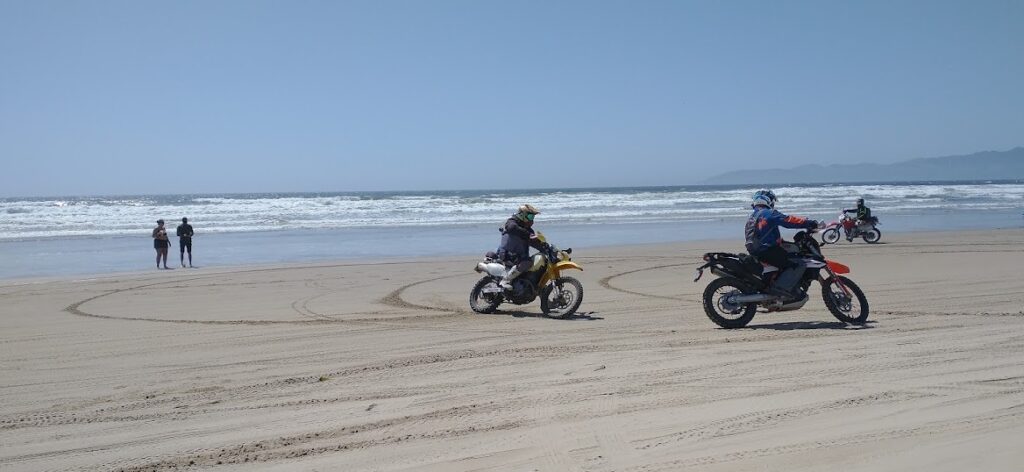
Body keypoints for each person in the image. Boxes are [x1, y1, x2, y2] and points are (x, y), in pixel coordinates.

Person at [744, 189, 820, 298]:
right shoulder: (768, 213)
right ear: (768, 201)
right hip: (767, 251)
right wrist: (809, 223)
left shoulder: (753, 217)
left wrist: (782, 242)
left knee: (787, 256)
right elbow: (788, 220)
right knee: (799, 263)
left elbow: (765, 235)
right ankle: (781, 289)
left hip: (757, 251)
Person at [496, 204, 548, 290]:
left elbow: (534, 242)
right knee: (527, 263)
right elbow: (512, 228)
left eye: (533, 217)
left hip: (519, 256)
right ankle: (505, 280)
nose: (532, 220)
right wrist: (528, 235)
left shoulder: (527, 229)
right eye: (531, 216)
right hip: (508, 255)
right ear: (523, 215)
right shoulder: (512, 222)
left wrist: (546, 247)